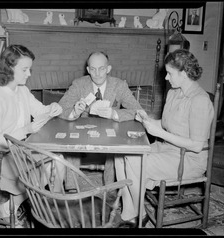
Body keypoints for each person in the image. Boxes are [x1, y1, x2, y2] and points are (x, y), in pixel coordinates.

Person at [114, 49, 214, 226]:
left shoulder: (200, 100)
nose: (166, 78)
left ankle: (140, 213)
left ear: (183, 74)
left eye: (169, 73)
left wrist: (159, 133)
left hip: (188, 159)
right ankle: (130, 212)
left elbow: (197, 146)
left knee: (134, 161)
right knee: (121, 154)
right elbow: (167, 124)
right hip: (167, 148)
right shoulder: (173, 92)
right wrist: (147, 121)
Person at [0, 44, 63, 226]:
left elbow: (41, 110)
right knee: (47, 167)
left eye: (29, 69)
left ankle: (47, 208)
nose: (29, 74)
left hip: (17, 151)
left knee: (58, 160)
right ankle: (44, 209)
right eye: (25, 69)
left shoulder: (22, 90)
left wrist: (53, 108)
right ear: (9, 68)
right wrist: (26, 130)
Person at [58, 51, 143, 190]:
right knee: (71, 142)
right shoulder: (79, 84)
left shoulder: (119, 85)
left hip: (110, 134)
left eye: (101, 69)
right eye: (93, 69)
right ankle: (72, 189)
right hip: (82, 135)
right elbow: (60, 109)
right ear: (88, 70)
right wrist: (74, 112)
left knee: (116, 147)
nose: (97, 73)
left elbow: (138, 111)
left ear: (108, 69)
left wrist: (114, 113)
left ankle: (110, 188)